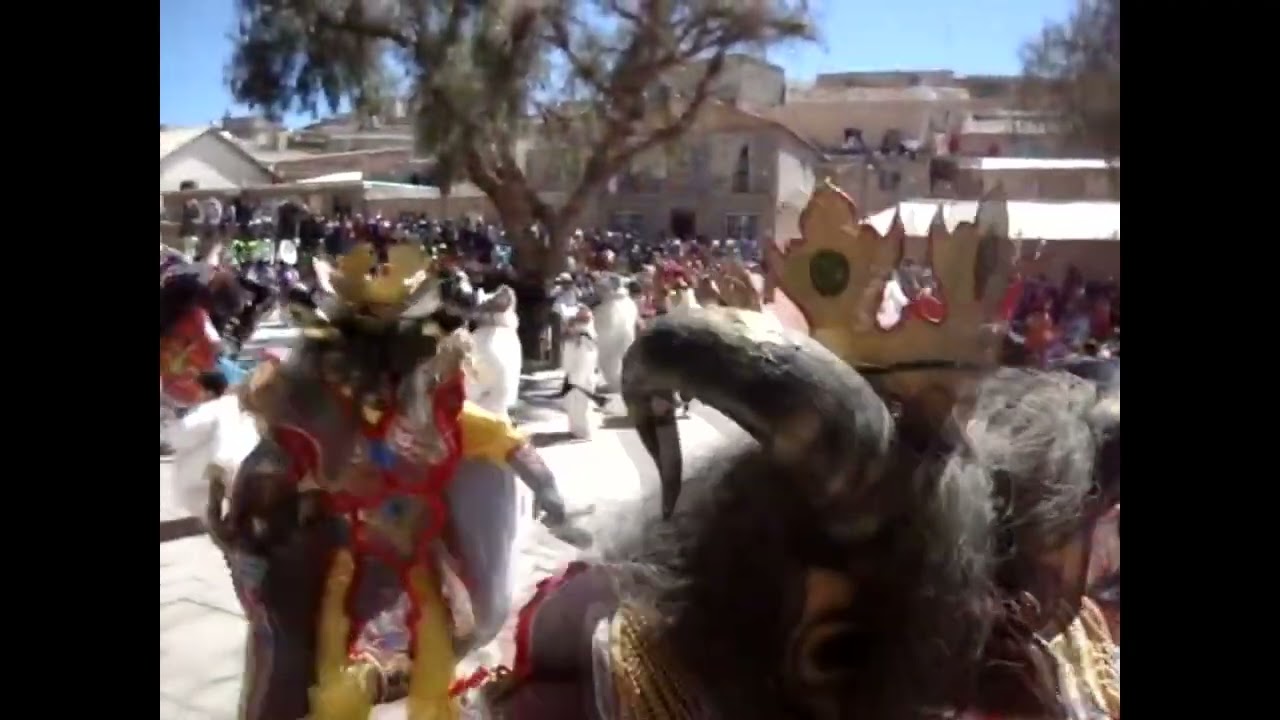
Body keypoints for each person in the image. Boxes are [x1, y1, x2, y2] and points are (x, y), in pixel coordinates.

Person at [164, 371, 260, 522]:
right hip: (248, 466)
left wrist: (169, 426)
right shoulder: (239, 406)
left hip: (220, 472)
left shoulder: (211, 409)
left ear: (208, 392)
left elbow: (182, 436)